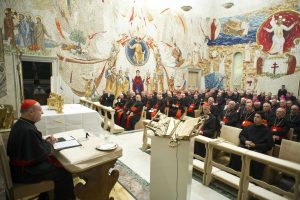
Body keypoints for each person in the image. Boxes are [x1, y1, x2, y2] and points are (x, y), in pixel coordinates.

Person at [7, 99, 75, 200]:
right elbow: (41, 154)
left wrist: (46, 141)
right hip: (25, 173)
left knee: (60, 165)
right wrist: (50, 145)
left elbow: (32, 146)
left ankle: (45, 197)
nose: (42, 112)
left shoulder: (21, 124)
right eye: (40, 110)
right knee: (65, 173)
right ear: (31, 112)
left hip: (19, 169)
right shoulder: (27, 130)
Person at [229, 111, 274, 179]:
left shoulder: (267, 130)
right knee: (236, 153)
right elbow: (241, 135)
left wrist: (255, 146)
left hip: (258, 149)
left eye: (258, 117)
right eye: (255, 116)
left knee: (255, 159)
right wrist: (246, 141)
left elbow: (268, 145)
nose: (255, 118)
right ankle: (234, 174)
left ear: (262, 120)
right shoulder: (249, 126)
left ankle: (251, 180)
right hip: (246, 146)